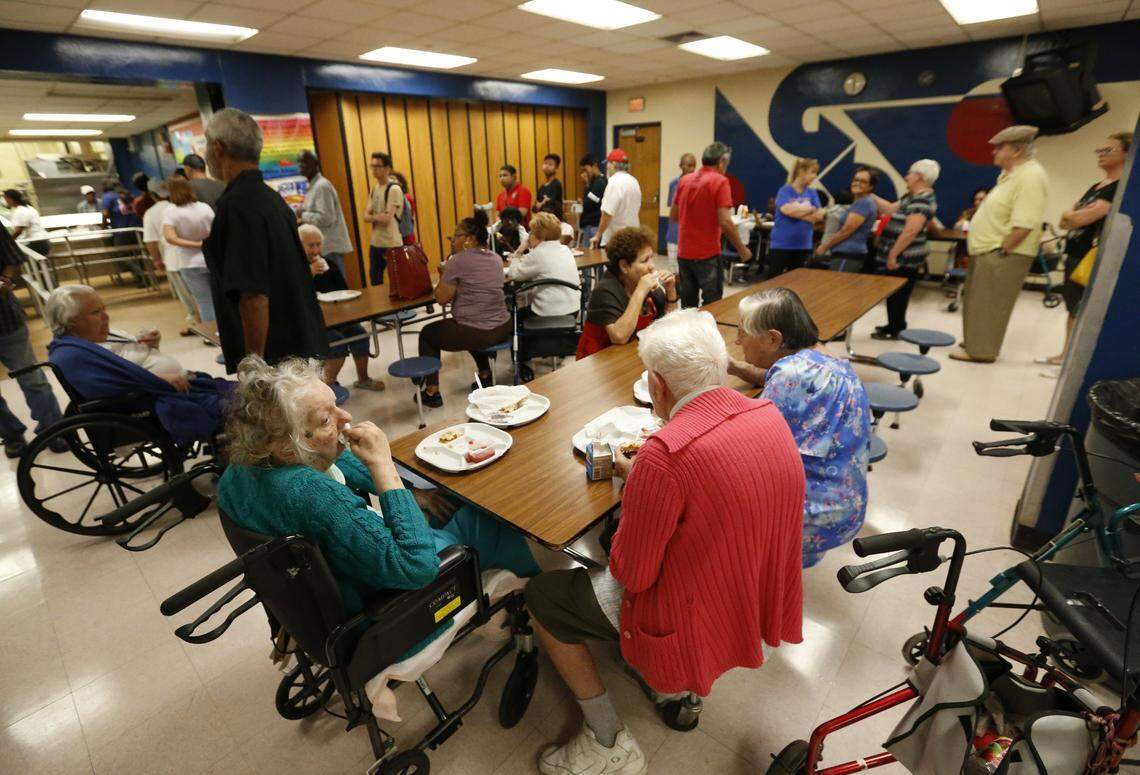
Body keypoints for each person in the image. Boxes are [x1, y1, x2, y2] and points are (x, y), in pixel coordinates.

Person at [527, 309, 805, 774]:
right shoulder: (768, 415)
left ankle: (606, 738)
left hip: (683, 609)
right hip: (741, 588)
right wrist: (645, 485)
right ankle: (665, 685)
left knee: (543, 594)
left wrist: (640, 489)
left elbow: (630, 573)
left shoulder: (665, 456)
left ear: (657, 385)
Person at [217, 354, 539, 619]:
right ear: (290, 446)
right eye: (326, 420)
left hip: (323, 601)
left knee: (439, 498)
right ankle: (537, 599)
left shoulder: (245, 466)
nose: (345, 417)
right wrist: (385, 467)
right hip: (393, 611)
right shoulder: (314, 494)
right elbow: (418, 567)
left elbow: (334, 460)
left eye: (334, 404)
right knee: (491, 519)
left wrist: (413, 494)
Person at [728, 288, 871, 566]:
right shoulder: (826, 361)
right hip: (847, 503)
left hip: (815, 512)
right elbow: (774, 377)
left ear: (773, 338)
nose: (737, 341)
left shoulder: (793, 373)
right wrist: (734, 367)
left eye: (743, 332)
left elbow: (748, 444)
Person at [202, 107, 328, 373]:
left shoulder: (237, 207)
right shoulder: (271, 200)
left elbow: (253, 295)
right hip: (299, 344)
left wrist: (255, 365)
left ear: (218, 147)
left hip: (275, 355)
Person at [45, 285, 231, 445]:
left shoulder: (89, 340)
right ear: (72, 320)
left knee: (244, 394)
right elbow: (114, 387)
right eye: (96, 312)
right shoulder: (72, 355)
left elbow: (126, 370)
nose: (106, 317)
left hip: (173, 387)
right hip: (154, 400)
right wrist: (159, 379)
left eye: (104, 309)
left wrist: (150, 347)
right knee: (245, 406)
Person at [952, 125, 1049, 363]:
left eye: (999, 147)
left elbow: (1025, 224)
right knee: (978, 301)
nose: (994, 152)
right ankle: (976, 341)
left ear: (1015, 150)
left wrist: (1003, 249)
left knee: (991, 303)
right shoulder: (1011, 175)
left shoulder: (1030, 175)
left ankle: (981, 351)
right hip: (989, 250)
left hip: (1002, 253)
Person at [1039, 131, 1130, 371]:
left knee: (1082, 309)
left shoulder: (1120, 189)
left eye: (1107, 150)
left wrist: (1076, 215)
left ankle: (1073, 363)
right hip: (1076, 253)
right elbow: (1067, 219)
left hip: (1093, 258)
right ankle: (1065, 355)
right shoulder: (1097, 186)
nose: (1100, 154)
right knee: (1072, 307)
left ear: (1127, 154)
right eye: (1099, 150)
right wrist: (1075, 216)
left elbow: (1080, 217)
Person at [417, 210, 513, 408]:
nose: (452, 241)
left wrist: (445, 274)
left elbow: (442, 298)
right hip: (503, 326)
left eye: (456, 236)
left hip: (479, 332)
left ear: (469, 239)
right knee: (465, 325)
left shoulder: (457, 261)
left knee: (428, 334)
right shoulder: (495, 258)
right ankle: (485, 374)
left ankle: (432, 390)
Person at [299, 223, 385, 399]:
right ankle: (323, 393)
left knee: (360, 333)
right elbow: (294, 296)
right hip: (310, 323)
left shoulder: (328, 262)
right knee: (336, 344)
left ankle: (363, 378)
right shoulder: (295, 268)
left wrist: (330, 273)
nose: (315, 249)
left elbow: (343, 289)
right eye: (310, 245)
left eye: (318, 244)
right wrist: (309, 273)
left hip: (336, 317)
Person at [0, 226, 65, 457]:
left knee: (31, 377)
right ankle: (11, 434)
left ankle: (53, 429)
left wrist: (4, 281)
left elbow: (14, 259)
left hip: (5, 321)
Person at [576, 226, 677, 358]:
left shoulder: (647, 286)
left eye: (651, 258)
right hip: (598, 362)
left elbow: (669, 323)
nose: (652, 266)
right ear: (624, 266)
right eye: (645, 260)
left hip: (630, 355)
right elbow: (619, 337)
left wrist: (670, 291)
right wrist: (640, 291)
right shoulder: (604, 290)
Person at [672, 142, 751, 307]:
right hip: (707, 255)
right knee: (712, 305)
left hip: (684, 254)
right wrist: (742, 249)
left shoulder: (685, 180)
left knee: (688, 305)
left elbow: (674, 215)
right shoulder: (720, 181)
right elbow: (726, 222)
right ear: (721, 162)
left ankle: (688, 333)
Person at [505, 212, 581, 381]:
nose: (529, 236)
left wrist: (520, 250)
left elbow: (514, 274)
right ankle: (556, 348)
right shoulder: (565, 250)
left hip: (549, 313)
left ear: (538, 235)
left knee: (514, 318)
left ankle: (523, 361)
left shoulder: (538, 254)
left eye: (531, 233)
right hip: (573, 310)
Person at [868, 159, 940, 339]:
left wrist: (893, 254)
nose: (906, 176)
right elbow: (890, 210)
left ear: (920, 177)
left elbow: (911, 231)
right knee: (894, 294)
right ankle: (894, 325)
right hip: (899, 255)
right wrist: (870, 195)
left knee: (899, 294)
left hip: (905, 257)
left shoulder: (922, 201)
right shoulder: (911, 197)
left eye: (910, 173)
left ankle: (896, 329)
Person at [142, 180, 196, 336]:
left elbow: (151, 241)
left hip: (173, 259)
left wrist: (157, 260)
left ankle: (196, 323)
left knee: (186, 296)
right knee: (201, 294)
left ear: (152, 195)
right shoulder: (184, 206)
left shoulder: (151, 213)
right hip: (196, 255)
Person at [163, 178, 217, 325]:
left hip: (189, 262)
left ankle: (212, 333)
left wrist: (195, 244)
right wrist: (205, 243)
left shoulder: (171, 212)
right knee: (220, 298)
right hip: (212, 258)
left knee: (204, 300)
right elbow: (217, 230)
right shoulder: (204, 208)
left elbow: (170, 237)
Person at [297, 149, 354, 278]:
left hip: (330, 247)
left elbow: (327, 218)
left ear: (315, 164)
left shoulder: (322, 186)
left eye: (304, 162)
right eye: (299, 162)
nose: (300, 166)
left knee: (337, 289)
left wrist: (303, 215)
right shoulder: (313, 186)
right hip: (323, 248)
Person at [815, 167, 878, 272]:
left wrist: (824, 246)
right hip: (845, 253)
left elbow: (847, 230)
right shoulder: (859, 202)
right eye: (855, 180)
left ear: (870, 186)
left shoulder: (864, 203)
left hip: (848, 254)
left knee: (837, 287)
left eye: (863, 181)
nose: (857, 183)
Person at [769, 158, 824, 276]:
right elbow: (786, 210)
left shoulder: (812, 193)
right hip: (782, 244)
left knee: (796, 281)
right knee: (774, 281)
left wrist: (796, 211)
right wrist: (810, 209)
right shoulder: (784, 191)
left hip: (803, 245)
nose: (815, 176)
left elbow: (819, 216)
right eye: (812, 172)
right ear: (801, 172)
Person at [364, 152, 404, 286]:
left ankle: (403, 307)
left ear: (387, 168)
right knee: (375, 281)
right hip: (376, 242)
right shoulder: (374, 189)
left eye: (378, 166)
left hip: (391, 242)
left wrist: (373, 217)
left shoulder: (394, 189)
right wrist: (377, 217)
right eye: (372, 166)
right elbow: (365, 216)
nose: (374, 169)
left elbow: (386, 219)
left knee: (397, 281)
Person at [589, 149, 641, 249]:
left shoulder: (614, 183)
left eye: (608, 164)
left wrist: (597, 236)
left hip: (616, 241)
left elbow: (607, 213)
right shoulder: (634, 181)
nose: (607, 167)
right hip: (633, 238)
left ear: (612, 164)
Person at [665, 153, 697, 264]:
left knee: (689, 273)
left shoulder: (700, 185)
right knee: (674, 271)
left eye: (693, 165)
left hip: (692, 237)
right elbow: (672, 207)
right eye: (687, 165)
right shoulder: (674, 184)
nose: (690, 168)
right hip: (675, 234)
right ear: (681, 166)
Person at [3, 189, 51, 258]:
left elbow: (18, 231)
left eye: (5, 199)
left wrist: (8, 242)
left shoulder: (20, 211)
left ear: (11, 199)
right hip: (42, 241)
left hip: (35, 243)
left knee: (12, 258)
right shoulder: (29, 208)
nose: (5, 202)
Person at [578, 154, 607, 246]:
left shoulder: (599, 183)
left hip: (593, 226)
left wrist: (582, 203)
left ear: (594, 166)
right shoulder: (594, 182)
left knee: (590, 257)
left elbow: (587, 205)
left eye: (586, 170)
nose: (585, 174)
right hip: (591, 226)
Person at [392, 171, 417, 245]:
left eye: (393, 180)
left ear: (401, 184)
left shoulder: (406, 197)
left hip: (405, 237)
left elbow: (409, 217)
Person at [535, 153, 563, 219]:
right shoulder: (541, 188)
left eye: (550, 164)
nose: (547, 166)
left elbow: (552, 204)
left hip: (554, 221)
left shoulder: (557, 184)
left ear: (556, 168)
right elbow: (535, 207)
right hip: (543, 220)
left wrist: (541, 204)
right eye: (545, 163)